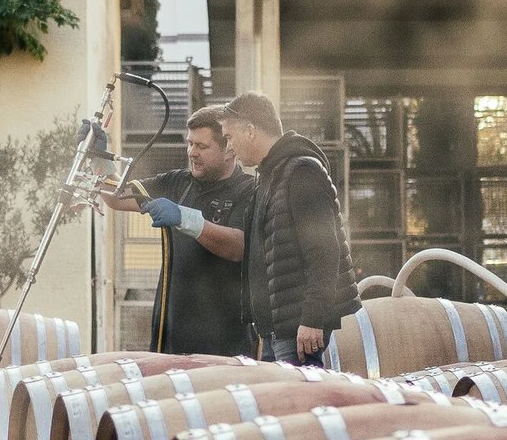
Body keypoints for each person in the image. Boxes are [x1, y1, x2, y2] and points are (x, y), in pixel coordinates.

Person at [99, 104, 254, 356]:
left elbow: (239, 246)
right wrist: (101, 160)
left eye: (202, 147)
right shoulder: (177, 182)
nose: (192, 153)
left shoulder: (248, 190)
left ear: (229, 149)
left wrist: (186, 218)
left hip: (226, 339)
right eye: (190, 144)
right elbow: (116, 197)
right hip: (171, 331)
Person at [220, 91, 359, 365]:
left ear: (249, 131)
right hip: (277, 330)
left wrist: (312, 320)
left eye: (228, 137)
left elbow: (324, 251)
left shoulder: (301, 172)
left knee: (299, 405)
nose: (229, 148)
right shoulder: (268, 177)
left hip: (299, 331)